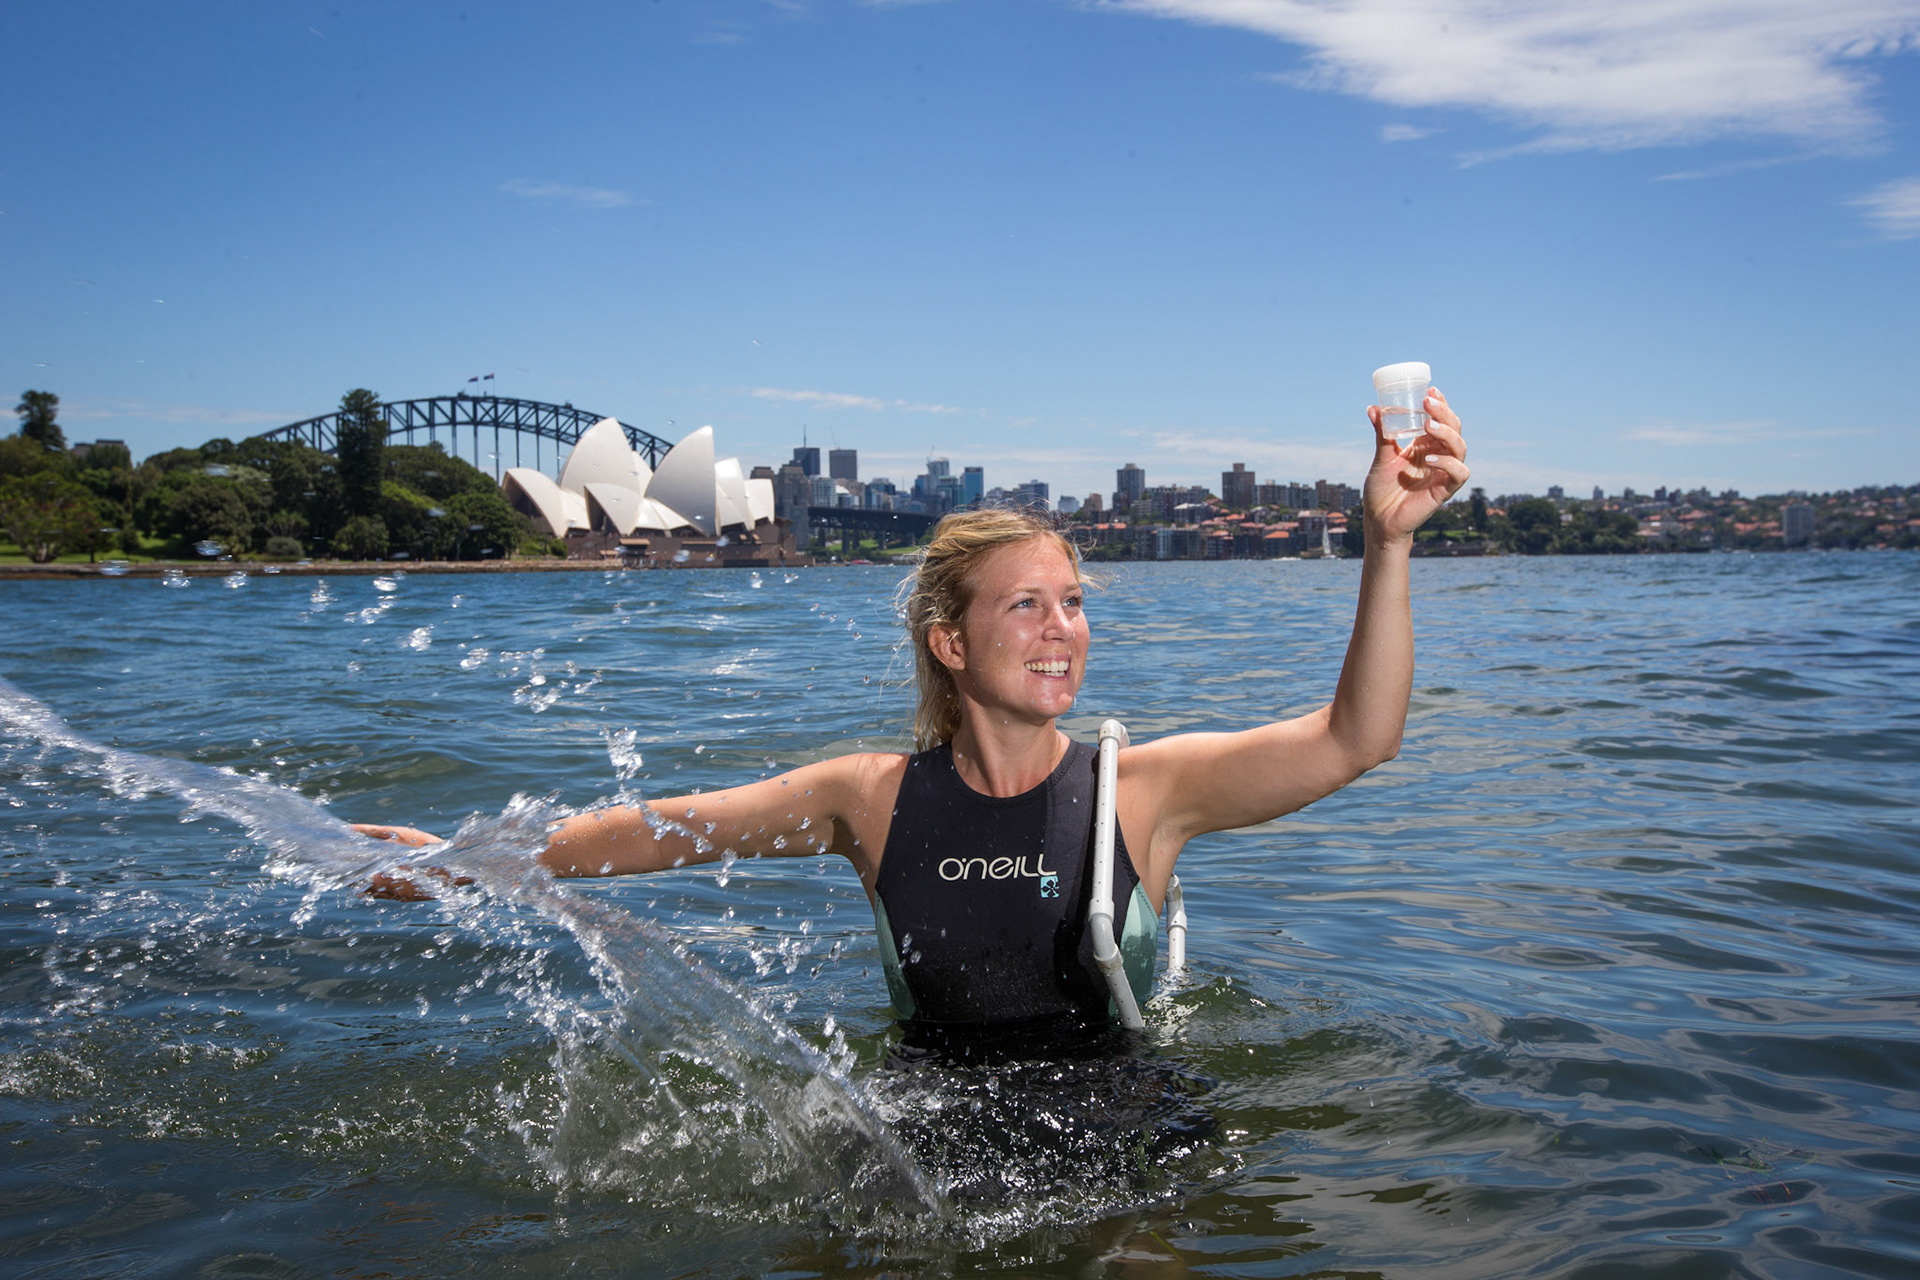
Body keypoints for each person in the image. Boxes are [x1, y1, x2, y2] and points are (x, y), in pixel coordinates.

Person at [359, 390, 1470, 1033]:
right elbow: (659, 827)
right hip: (923, 1146)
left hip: (1126, 1144)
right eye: (1026, 603)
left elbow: (1355, 738)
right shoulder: (871, 798)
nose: (1062, 626)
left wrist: (1388, 544)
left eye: (1074, 603)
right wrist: (466, 861)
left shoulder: (1143, 792)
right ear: (951, 642)